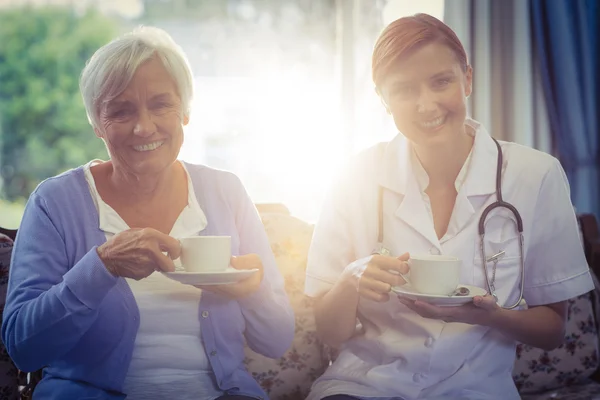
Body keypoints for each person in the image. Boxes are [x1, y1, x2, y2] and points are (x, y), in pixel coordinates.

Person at [304, 13, 594, 400]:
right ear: (383, 100)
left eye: (441, 82)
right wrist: (353, 278)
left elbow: (552, 331)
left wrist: (492, 317)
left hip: (475, 390)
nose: (426, 105)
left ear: (467, 79)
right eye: (404, 90)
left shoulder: (536, 175)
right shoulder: (354, 176)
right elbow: (329, 331)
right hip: (365, 385)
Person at [1, 27, 294, 400]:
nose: (144, 127)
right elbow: (24, 348)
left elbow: (277, 340)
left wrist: (252, 292)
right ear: (96, 124)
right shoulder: (54, 202)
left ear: (184, 112)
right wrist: (101, 266)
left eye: (160, 105)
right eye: (121, 111)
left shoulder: (226, 192)